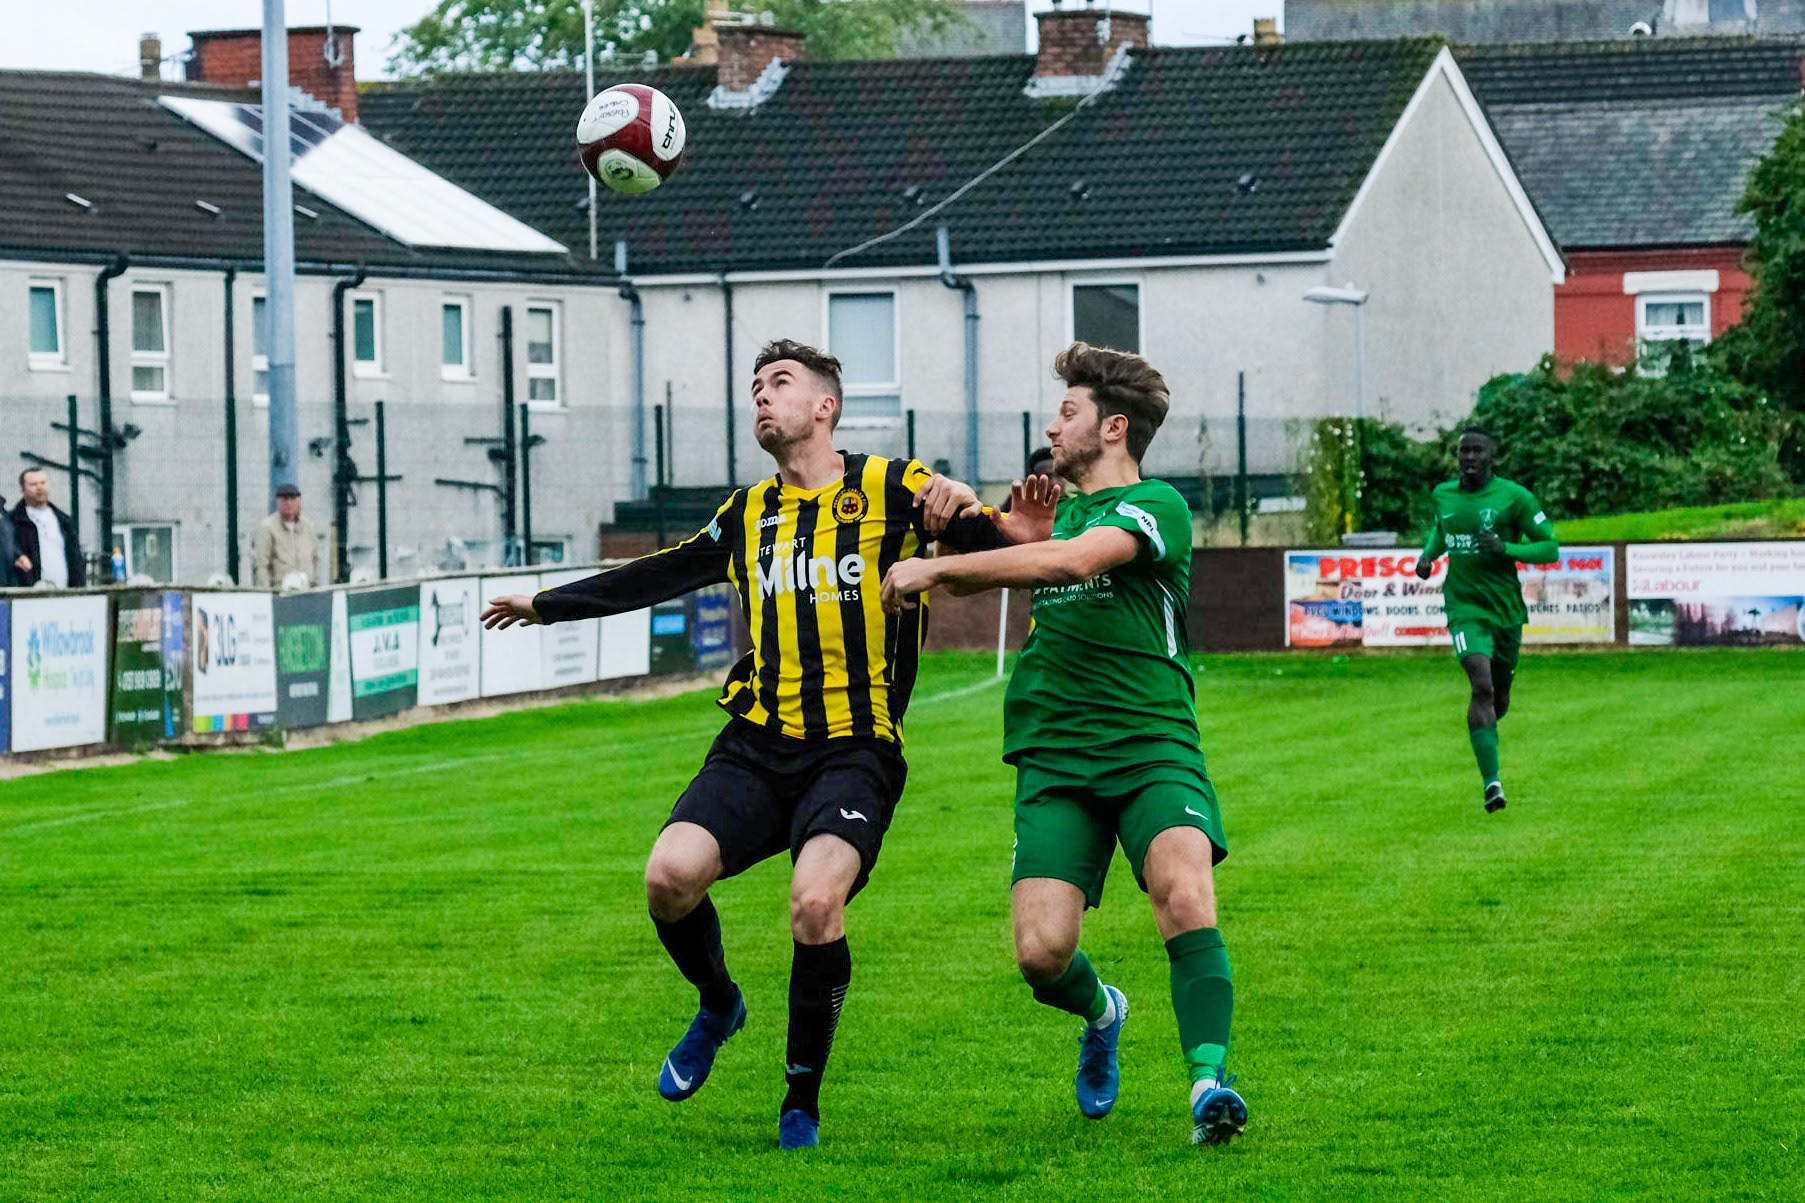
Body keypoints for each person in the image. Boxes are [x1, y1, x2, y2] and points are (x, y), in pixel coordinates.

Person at [480, 340, 1057, 1150]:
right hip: (755, 742)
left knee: (815, 904)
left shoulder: (895, 486)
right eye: (754, 386)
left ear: (825, 406)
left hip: (855, 747)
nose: (760, 395)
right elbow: (660, 571)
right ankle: (719, 1002)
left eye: (779, 383)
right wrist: (547, 603)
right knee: (667, 879)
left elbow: (989, 542)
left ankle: (799, 1100)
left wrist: (1006, 527)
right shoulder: (746, 511)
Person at [878, 342, 1246, 1148]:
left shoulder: (1155, 505)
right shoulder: (1054, 520)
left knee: (1183, 893)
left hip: (1151, 743)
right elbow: (981, 566)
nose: (1052, 426)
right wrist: (964, 523)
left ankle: (1208, 1082)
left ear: (1113, 428)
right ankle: (1103, 1010)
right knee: (1041, 955)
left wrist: (936, 570)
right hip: (1053, 753)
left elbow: (1075, 561)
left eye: (1067, 412)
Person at [1413, 426, 1559, 813]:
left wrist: (1505, 548)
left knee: (1499, 698)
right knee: (1480, 686)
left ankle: (1488, 727)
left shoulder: (1515, 497)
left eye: (1477, 451)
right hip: (1464, 607)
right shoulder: (1443, 494)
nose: (1470, 458)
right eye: (1464, 451)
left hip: (1505, 609)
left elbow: (1550, 548)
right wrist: (1427, 556)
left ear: (1491, 456)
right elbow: (1442, 529)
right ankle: (1492, 784)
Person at [10, 468, 84, 588]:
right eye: (33, 484)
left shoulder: (64, 521)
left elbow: (76, 558)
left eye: (43, 483)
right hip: (29, 593)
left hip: (66, 591)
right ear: (22, 489)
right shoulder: (13, 521)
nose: (39, 488)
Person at [252, 484, 320, 588]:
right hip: (279, 590)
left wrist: (317, 588)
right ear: (278, 501)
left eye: (293, 499)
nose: (289, 503)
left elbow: (315, 560)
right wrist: (266, 591)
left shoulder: (309, 526)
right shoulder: (267, 527)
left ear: (299, 501)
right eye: (284, 499)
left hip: (307, 589)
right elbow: (261, 565)